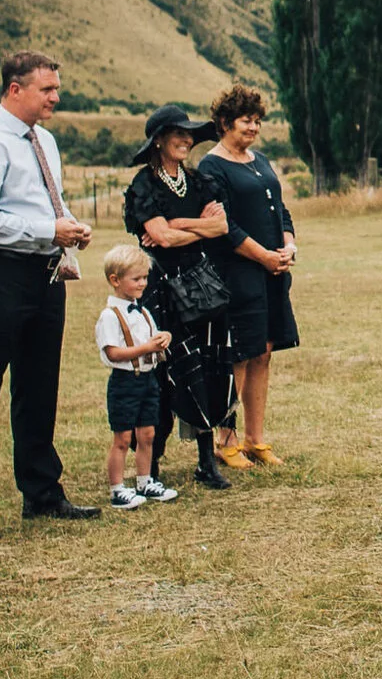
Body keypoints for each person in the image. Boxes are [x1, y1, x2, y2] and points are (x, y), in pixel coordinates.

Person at [0, 50, 97, 542]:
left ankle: (43, 492)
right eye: (47, 89)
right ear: (15, 89)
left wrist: (68, 226)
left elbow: (45, 198)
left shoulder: (44, 140)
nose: (56, 96)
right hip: (3, 275)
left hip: (47, 275)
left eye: (56, 87)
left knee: (39, 385)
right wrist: (48, 229)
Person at [124, 104, 235, 489]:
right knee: (162, 368)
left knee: (208, 363)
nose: (187, 139)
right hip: (161, 288)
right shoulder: (144, 185)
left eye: (190, 134)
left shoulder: (199, 180)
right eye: (179, 133)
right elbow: (161, 239)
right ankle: (150, 462)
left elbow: (220, 226)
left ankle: (207, 461)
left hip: (203, 283)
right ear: (159, 140)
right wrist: (193, 229)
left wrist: (179, 225)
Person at [194, 85, 298, 466]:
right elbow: (226, 227)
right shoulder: (211, 166)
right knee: (237, 354)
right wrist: (263, 257)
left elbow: (281, 211)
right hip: (237, 272)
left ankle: (256, 438)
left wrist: (288, 246)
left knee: (265, 351)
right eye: (245, 121)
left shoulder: (262, 160)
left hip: (272, 272)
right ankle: (227, 440)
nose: (253, 128)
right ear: (224, 123)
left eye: (257, 121)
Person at [94, 245, 179, 510]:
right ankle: (118, 489)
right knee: (123, 438)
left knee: (148, 433)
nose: (143, 283)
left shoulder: (142, 312)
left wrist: (166, 337)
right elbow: (113, 352)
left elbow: (154, 338)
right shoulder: (110, 316)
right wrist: (146, 349)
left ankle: (145, 481)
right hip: (125, 382)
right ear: (115, 280)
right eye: (136, 279)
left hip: (147, 380)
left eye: (145, 278)